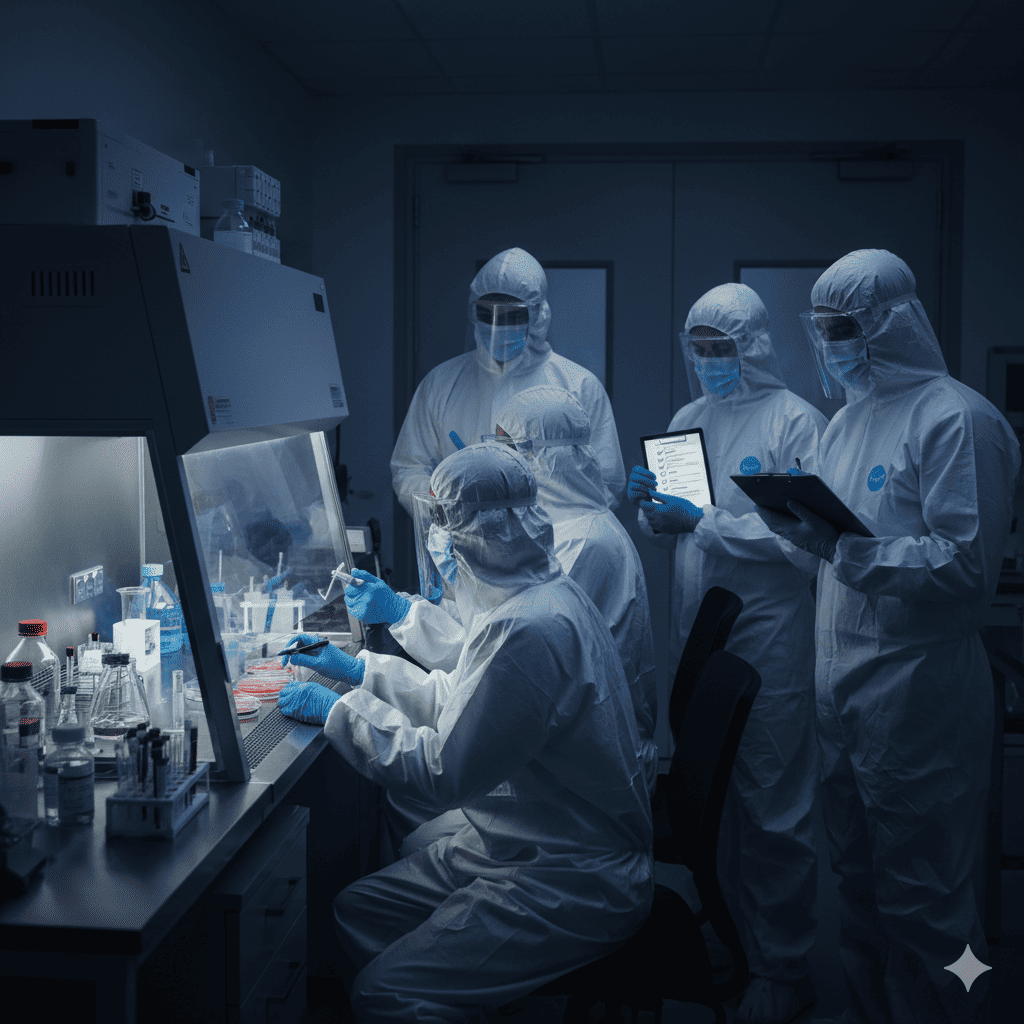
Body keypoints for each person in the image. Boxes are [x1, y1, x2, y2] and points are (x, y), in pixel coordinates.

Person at [277, 443, 654, 1024]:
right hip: (535, 840)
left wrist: (340, 709)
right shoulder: (531, 599)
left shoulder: (530, 627)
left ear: (481, 536)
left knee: (385, 994)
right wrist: (362, 670)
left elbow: (440, 771)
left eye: (444, 523)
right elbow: (464, 703)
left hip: (571, 878)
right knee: (359, 910)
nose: (436, 539)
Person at [757, 249, 1020, 1024]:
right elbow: (836, 542)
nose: (834, 343)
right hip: (843, 690)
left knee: (932, 900)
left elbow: (965, 566)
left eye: (847, 327)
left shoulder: (958, 420)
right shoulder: (845, 422)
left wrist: (844, 548)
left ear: (892, 322)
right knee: (860, 885)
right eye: (825, 328)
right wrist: (800, 530)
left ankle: (965, 1008)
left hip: (920, 695)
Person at [630, 282, 827, 1024]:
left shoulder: (795, 425)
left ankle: (786, 970)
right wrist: (653, 511)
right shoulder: (690, 419)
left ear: (753, 345)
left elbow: (808, 542)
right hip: (701, 632)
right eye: (699, 347)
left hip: (771, 642)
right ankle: (737, 941)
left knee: (775, 808)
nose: (710, 361)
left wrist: (705, 519)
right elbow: (678, 528)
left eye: (722, 347)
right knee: (718, 810)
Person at [349, 389, 658, 857]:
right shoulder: (556, 532)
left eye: (509, 448)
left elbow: (502, 651)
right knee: (410, 815)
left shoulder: (584, 544)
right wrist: (404, 615)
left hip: (578, 779)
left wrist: (401, 619)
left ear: (547, 459)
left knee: (411, 804)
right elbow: (492, 645)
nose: (500, 459)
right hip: (560, 751)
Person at [391, 247, 626, 522]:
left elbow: (606, 484)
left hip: (553, 554)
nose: (496, 326)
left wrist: (544, 526)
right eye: (486, 314)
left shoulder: (578, 386)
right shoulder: (441, 384)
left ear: (537, 314)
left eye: (510, 316)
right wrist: (446, 507)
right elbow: (409, 468)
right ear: (472, 312)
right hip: (458, 550)